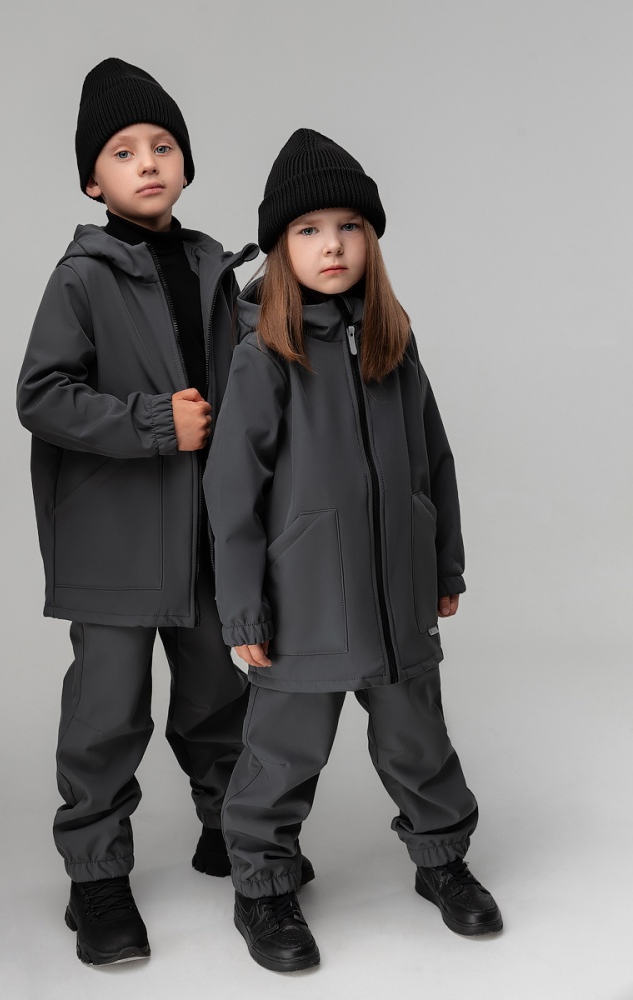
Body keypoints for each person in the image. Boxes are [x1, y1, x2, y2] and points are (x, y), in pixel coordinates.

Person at [203, 128, 502, 973]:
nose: (331, 245)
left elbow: (433, 460)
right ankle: (263, 886)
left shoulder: (393, 345)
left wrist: (444, 563)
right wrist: (243, 609)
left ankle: (442, 860)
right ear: (281, 248)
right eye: (308, 230)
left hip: (397, 596)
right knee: (282, 752)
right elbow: (232, 495)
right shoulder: (265, 358)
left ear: (370, 240)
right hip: (302, 605)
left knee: (419, 740)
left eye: (349, 227)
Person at [16, 58, 258, 966]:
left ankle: (232, 832)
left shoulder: (213, 270)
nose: (147, 162)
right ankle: (97, 879)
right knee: (108, 712)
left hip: (207, 536)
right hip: (114, 538)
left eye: (163, 146)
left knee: (218, 695)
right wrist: (156, 422)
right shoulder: (81, 277)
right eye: (123, 152)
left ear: (186, 165)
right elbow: (42, 395)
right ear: (93, 181)